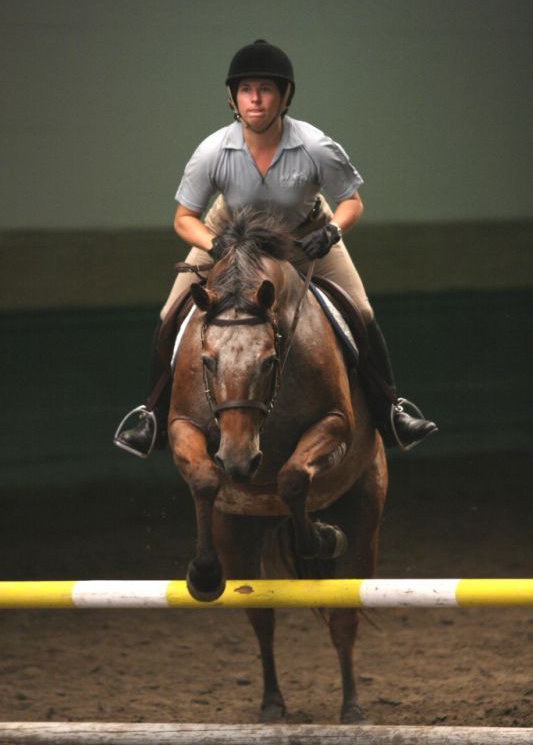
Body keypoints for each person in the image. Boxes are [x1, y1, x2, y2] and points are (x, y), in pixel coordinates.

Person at [114, 39, 437, 458]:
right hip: (230, 236)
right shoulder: (212, 150)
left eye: (265, 89)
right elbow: (183, 219)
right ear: (233, 98)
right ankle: (152, 416)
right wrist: (215, 243)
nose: (255, 99)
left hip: (305, 235)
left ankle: (391, 410)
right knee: (169, 315)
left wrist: (332, 232)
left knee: (360, 311)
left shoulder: (316, 146)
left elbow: (352, 202)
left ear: (284, 97)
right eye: (246, 90)